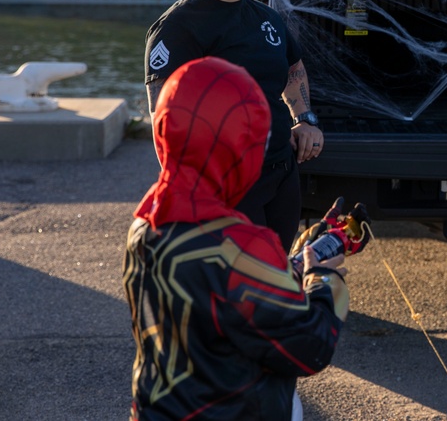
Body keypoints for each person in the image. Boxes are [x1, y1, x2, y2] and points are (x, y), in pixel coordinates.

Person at [124, 56, 350, 420]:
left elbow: (212, 302)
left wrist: (288, 263)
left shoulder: (145, 222)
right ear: (239, 146)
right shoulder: (241, 247)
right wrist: (325, 278)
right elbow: (311, 347)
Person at [145, 0, 323, 252]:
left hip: (280, 171)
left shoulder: (266, 17)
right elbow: (162, 118)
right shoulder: (179, 27)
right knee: (242, 284)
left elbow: (292, 68)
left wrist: (304, 119)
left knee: (277, 267)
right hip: (226, 186)